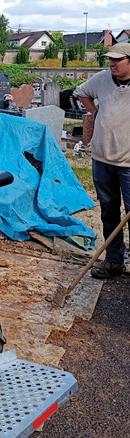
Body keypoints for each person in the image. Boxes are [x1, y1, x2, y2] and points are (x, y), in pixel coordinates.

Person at [74, 42, 130, 277]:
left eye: (117, 59)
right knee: (109, 213)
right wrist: (96, 112)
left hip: (128, 164)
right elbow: (80, 92)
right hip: (102, 159)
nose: (112, 63)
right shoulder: (102, 79)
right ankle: (115, 260)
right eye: (110, 59)